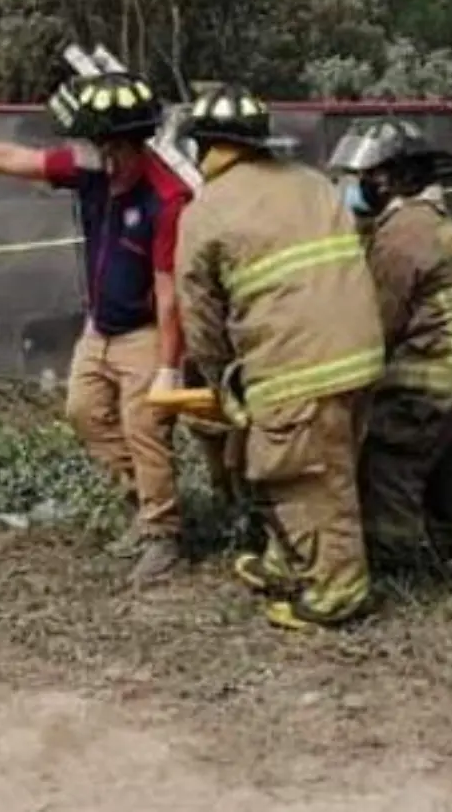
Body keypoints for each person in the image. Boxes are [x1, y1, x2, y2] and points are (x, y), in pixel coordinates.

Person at [0, 72, 193, 585]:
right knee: (84, 415)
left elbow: (170, 295)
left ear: (118, 143)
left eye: (93, 141)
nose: (83, 150)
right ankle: (141, 504)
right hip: (99, 329)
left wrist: (169, 367)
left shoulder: (166, 199)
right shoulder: (92, 175)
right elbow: (18, 161)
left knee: (145, 430)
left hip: (144, 332)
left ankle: (163, 534)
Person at [175, 84, 383, 630]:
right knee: (317, 464)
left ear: (205, 146)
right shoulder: (314, 183)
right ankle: (287, 561)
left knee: (300, 478)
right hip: (359, 354)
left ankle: (338, 593)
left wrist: (222, 379)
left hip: (297, 364)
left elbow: (199, 316)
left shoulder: (207, 211)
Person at [328, 118, 452, 583]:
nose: (354, 187)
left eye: (360, 177)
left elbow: (379, 319)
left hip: (432, 370)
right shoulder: (432, 222)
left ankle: (397, 567)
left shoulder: (401, 234)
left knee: (389, 461)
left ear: (390, 178)